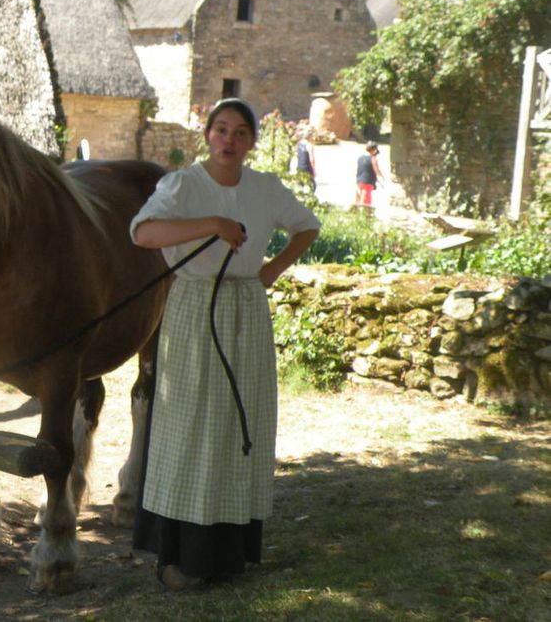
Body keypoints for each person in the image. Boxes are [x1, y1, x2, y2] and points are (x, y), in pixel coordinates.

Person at [129, 98, 320, 591]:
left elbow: (307, 226)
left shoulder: (264, 187)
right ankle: (177, 554)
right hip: (195, 307)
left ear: (252, 141)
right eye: (220, 130)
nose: (229, 141)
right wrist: (211, 224)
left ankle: (226, 553)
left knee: (239, 420)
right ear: (207, 134)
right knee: (192, 423)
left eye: (239, 132)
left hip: (247, 309)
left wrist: (272, 269)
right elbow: (144, 233)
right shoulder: (183, 184)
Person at [354, 141, 385, 207]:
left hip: (358, 182)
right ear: (374, 150)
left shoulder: (360, 158)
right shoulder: (373, 159)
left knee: (357, 203)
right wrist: (382, 179)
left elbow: (364, 170)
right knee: (365, 205)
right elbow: (377, 171)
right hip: (367, 184)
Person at [294, 125, 316, 190]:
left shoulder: (299, 144)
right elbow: (312, 159)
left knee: (300, 185)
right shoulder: (309, 145)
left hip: (299, 166)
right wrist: (313, 170)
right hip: (307, 167)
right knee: (312, 185)